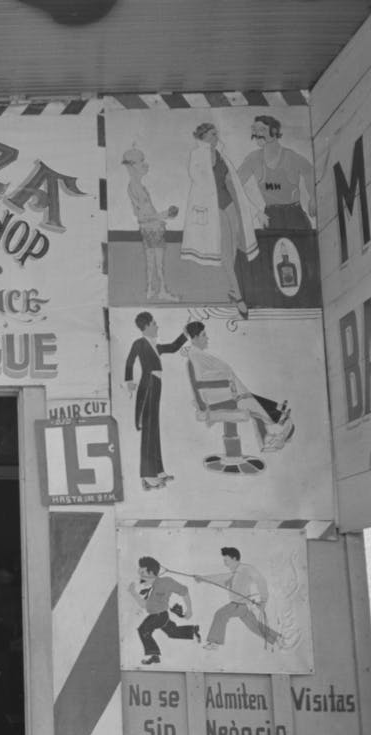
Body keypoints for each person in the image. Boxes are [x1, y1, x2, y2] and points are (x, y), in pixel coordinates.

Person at [180, 122, 257, 318]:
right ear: (203, 136)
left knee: (233, 248)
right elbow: (199, 180)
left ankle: (233, 289)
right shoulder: (197, 155)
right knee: (225, 252)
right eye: (213, 134)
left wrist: (251, 209)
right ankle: (238, 297)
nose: (216, 137)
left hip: (229, 204)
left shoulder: (222, 156)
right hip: (214, 210)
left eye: (216, 134)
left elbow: (232, 183)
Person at [185, 321, 295, 452]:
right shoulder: (196, 356)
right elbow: (201, 380)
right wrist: (227, 381)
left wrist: (228, 378)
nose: (207, 338)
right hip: (215, 397)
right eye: (203, 335)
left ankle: (269, 432)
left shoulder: (197, 354)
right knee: (249, 402)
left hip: (222, 392)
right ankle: (279, 418)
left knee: (250, 400)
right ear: (196, 338)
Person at [124, 312, 187, 490]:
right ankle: (147, 474)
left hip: (156, 383)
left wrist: (185, 334)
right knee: (148, 427)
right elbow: (129, 362)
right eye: (154, 323)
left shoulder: (155, 346)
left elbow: (174, 347)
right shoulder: (139, 343)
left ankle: (158, 471)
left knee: (154, 426)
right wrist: (129, 382)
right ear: (147, 326)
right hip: (149, 383)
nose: (157, 326)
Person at [195, 547, 283, 650]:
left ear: (235, 558)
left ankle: (214, 643)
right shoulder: (234, 573)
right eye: (224, 560)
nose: (225, 563)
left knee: (221, 614)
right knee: (254, 627)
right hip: (243, 606)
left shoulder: (246, 569)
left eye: (226, 560)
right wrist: (202, 578)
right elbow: (219, 578)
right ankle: (277, 638)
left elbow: (261, 580)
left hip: (239, 605)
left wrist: (263, 600)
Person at [237, 115, 317, 230]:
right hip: (272, 216)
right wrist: (255, 211)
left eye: (262, 129)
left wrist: (313, 198)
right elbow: (234, 183)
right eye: (255, 130)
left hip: (295, 215)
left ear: (274, 131)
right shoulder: (253, 158)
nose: (257, 134)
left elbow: (309, 171)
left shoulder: (290, 156)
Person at [121, 147, 180, 301]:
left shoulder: (135, 186)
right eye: (141, 161)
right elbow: (144, 216)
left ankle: (150, 290)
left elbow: (143, 216)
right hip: (153, 229)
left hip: (149, 229)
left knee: (151, 262)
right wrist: (165, 214)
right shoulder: (136, 188)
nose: (145, 165)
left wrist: (162, 217)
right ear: (132, 165)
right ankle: (162, 291)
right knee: (158, 263)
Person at [127, 556, 199, 665]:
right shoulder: (147, 588)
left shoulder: (166, 582)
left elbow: (184, 591)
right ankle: (192, 630)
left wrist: (189, 609)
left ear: (151, 572)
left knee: (143, 630)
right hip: (158, 615)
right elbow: (144, 605)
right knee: (172, 632)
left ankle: (154, 655)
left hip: (159, 615)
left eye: (142, 573)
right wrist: (133, 592)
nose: (140, 576)